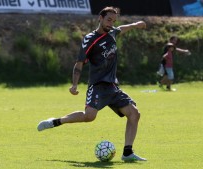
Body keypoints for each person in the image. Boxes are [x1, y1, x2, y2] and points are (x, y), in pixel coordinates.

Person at [37, 6, 147, 161]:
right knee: (89, 117)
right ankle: (55, 122)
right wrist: (74, 85)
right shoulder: (90, 39)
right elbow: (79, 64)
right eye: (108, 20)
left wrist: (136, 25)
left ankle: (127, 153)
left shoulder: (113, 33)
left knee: (134, 113)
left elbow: (122, 28)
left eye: (113, 21)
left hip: (112, 87)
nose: (111, 23)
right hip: (97, 86)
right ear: (100, 18)